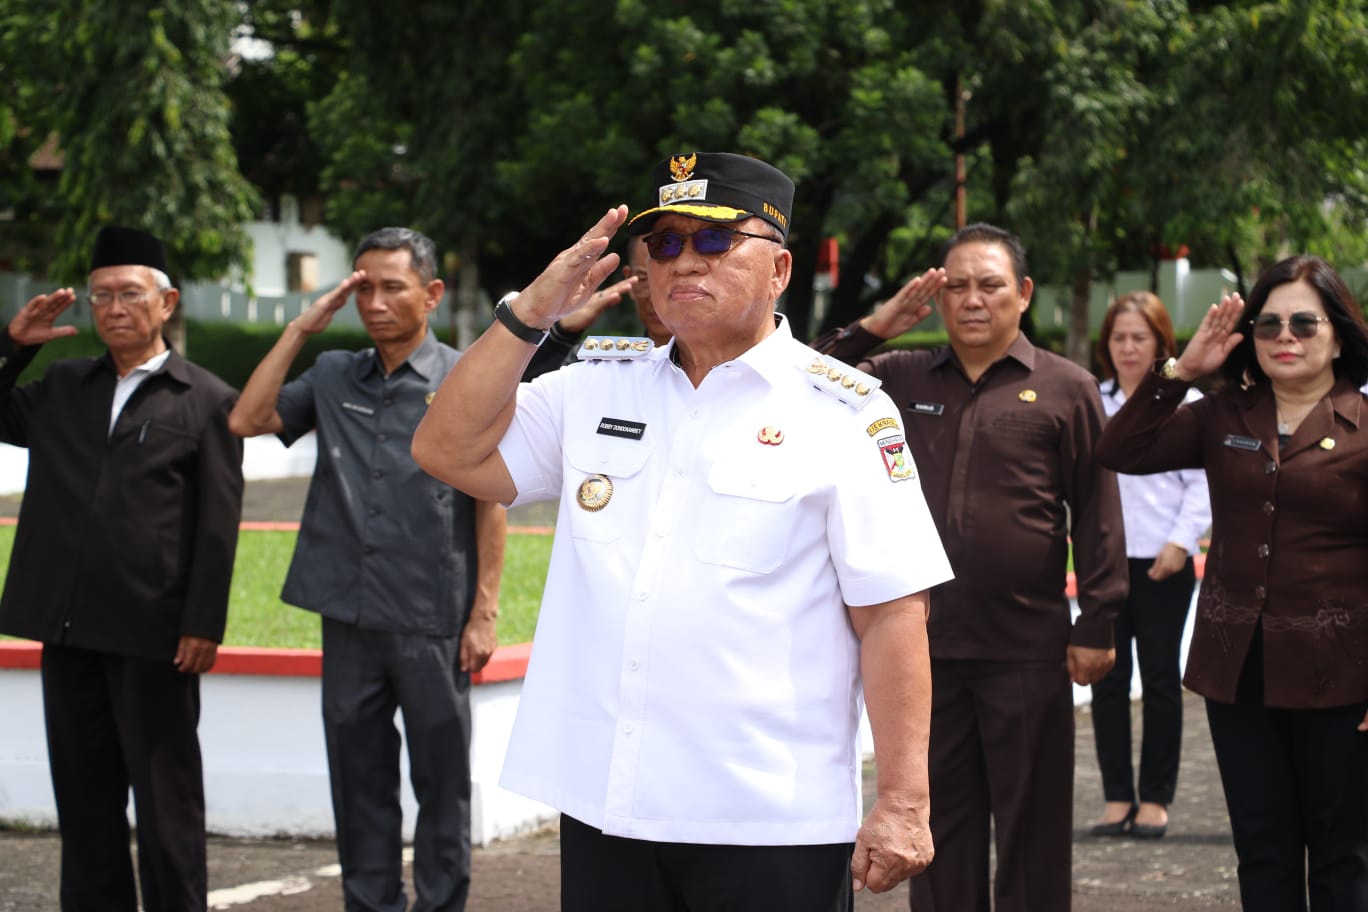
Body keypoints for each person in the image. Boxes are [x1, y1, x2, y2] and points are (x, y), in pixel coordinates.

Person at [411, 151, 954, 911]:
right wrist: (529, 314)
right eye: (663, 244)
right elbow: (444, 447)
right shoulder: (595, 386)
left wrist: (903, 800)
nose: (683, 263)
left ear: (780, 270)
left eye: (713, 243)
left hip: (769, 818)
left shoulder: (846, 411)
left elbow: (893, 612)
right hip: (610, 803)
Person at [814, 223, 1128, 912]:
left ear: (1023, 292)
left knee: (1032, 828)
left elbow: (1098, 510)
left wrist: (1099, 619)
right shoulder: (897, 377)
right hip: (920, 652)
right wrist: (877, 325)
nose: (971, 300)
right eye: (955, 287)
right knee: (936, 827)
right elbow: (805, 377)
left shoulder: (1067, 388)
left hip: (1026, 645)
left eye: (989, 285)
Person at [228, 227, 506, 912]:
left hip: (431, 614)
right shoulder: (332, 376)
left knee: (442, 784)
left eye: (392, 286)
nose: (375, 302)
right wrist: (302, 326)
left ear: (432, 294)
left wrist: (484, 610)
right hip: (347, 614)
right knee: (359, 782)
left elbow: (491, 502)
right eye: (363, 287)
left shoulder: (466, 379)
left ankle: (441, 905)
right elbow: (247, 418)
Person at [1095, 256, 1368, 910]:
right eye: (1269, 322)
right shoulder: (1223, 413)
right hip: (1237, 670)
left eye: (1305, 321)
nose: (1285, 336)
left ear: (1338, 332)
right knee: (1263, 849)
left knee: (1344, 858)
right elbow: (1119, 450)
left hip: (1345, 677)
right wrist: (1179, 372)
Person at [0, 226, 243, 911]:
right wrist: (12, 347)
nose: (113, 308)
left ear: (166, 302)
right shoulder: (62, 386)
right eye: (101, 295)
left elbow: (218, 525)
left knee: (167, 809)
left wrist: (202, 623)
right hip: (67, 628)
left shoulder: (206, 400)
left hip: (156, 637)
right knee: (84, 808)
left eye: (130, 294)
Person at [1089, 291, 1211, 840]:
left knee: (1161, 679)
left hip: (1164, 561)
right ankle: (1117, 796)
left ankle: (1156, 798)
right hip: (1106, 564)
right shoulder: (1093, 399)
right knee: (1107, 680)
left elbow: (1203, 482)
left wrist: (1181, 542)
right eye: (1119, 338)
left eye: (1141, 337)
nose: (1129, 348)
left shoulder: (1187, 404)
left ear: (1162, 342)